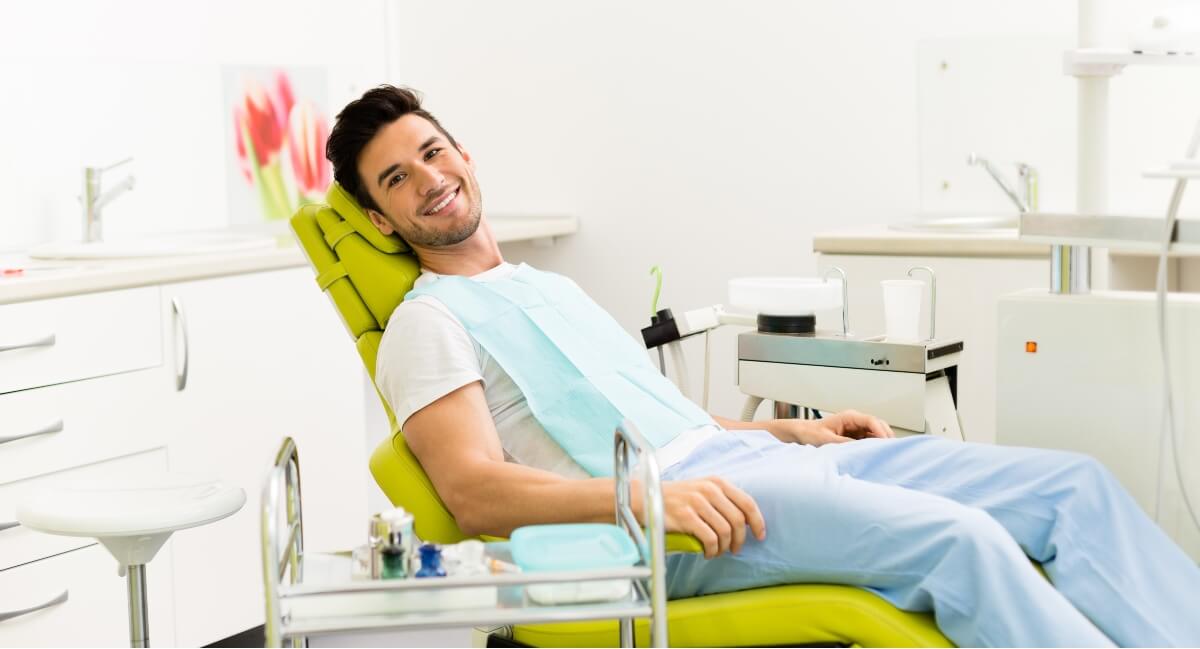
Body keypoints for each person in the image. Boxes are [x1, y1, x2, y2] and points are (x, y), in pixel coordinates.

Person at [325, 85, 1200, 647]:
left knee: (1071, 488)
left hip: (747, 461)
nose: (428, 179)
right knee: (960, 542)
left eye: (433, 152)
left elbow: (659, 419)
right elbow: (475, 492)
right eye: (396, 179)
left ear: (465, 155)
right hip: (669, 524)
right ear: (379, 221)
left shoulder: (545, 286)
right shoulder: (425, 322)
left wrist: (789, 427)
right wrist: (644, 496)